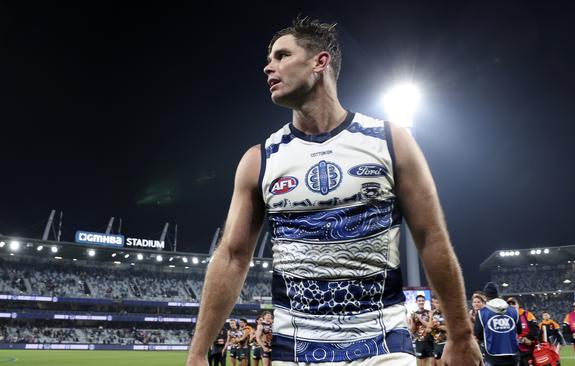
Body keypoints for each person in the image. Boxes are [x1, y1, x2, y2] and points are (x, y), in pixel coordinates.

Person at [186, 16, 482, 366]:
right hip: (295, 352)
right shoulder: (260, 160)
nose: (269, 67)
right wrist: (198, 352)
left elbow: (431, 237)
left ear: (320, 62)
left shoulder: (390, 141)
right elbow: (233, 256)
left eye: (282, 56)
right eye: (269, 59)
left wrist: (460, 334)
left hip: (382, 347)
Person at [475, 282, 520, 366]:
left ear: (485, 296)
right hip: (512, 356)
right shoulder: (514, 311)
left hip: (492, 357)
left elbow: (479, 334)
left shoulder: (481, 313)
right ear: (498, 294)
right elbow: (519, 330)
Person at [506, 297, 538, 366]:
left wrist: (528, 338)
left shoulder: (526, 314)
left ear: (518, 304)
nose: (511, 306)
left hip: (528, 351)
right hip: (512, 352)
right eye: (509, 304)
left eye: (513, 304)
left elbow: (535, 328)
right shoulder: (505, 317)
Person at [410, 294, 435, 365]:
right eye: (419, 301)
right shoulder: (413, 314)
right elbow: (412, 330)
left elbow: (430, 326)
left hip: (430, 341)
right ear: (416, 302)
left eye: (422, 300)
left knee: (432, 364)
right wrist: (412, 320)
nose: (421, 302)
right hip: (419, 342)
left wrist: (420, 318)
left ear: (424, 301)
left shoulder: (429, 313)